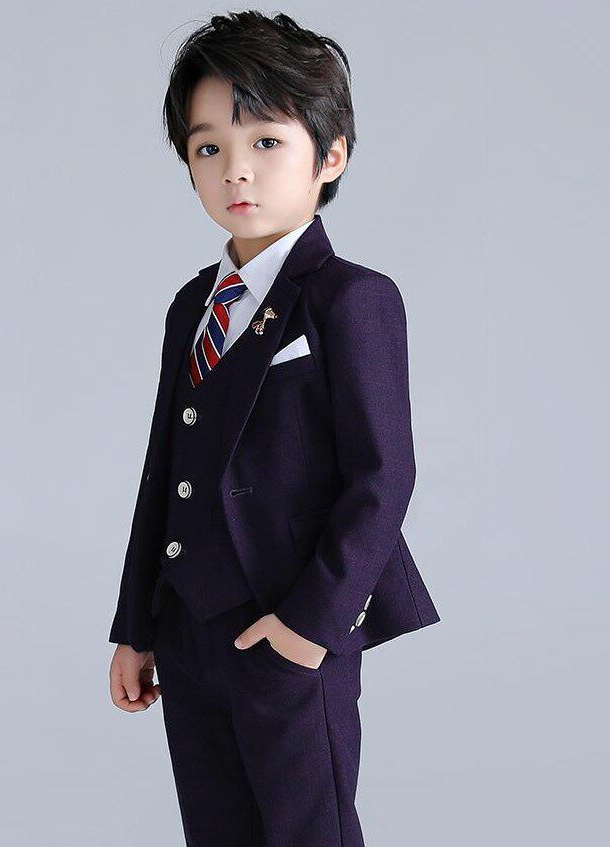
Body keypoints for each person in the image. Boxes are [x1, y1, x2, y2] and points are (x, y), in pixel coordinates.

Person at [108, 11, 440, 846]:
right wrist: (136, 626)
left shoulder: (352, 298)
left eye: (265, 141)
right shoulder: (193, 305)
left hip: (291, 629)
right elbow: (164, 468)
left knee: (307, 833)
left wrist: (309, 627)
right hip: (188, 632)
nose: (235, 170)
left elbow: (383, 476)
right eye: (208, 147)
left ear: (331, 156)